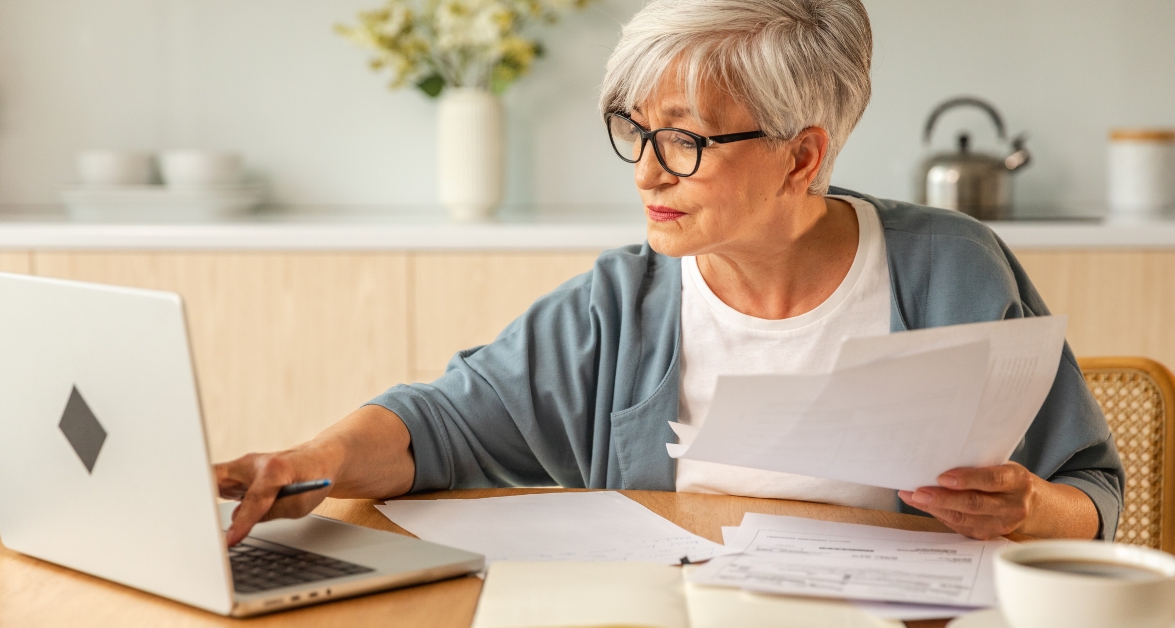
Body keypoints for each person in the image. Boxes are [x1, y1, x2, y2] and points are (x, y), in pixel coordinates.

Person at [216, 0, 1124, 547]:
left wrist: (1028, 508)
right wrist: (311, 462)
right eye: (635, 129)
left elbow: (1091, 495)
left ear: (802, 158)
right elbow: (438, 424)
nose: (647, 171)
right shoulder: (624, 302)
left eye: (686, 139)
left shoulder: (954, 269)